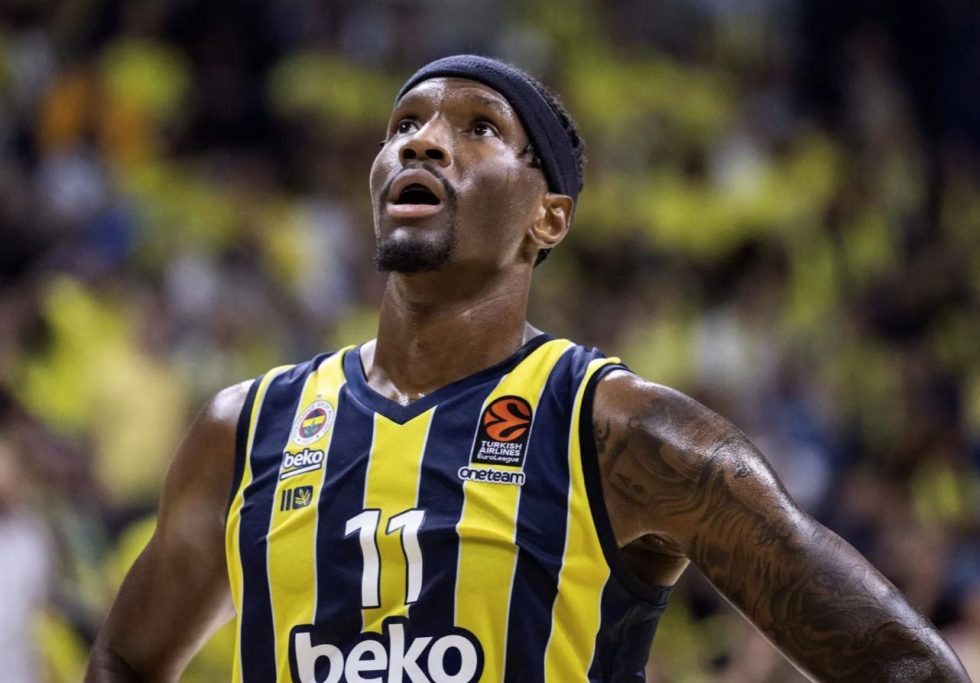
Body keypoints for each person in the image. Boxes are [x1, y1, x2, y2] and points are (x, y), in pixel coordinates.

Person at [85, 55, 970, 682]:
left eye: (477, 128)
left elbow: (901, 665)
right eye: (404, 126)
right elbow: (124, 657)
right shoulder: (246, 428)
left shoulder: (627, 434)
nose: (423, 143)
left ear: (549, 216)